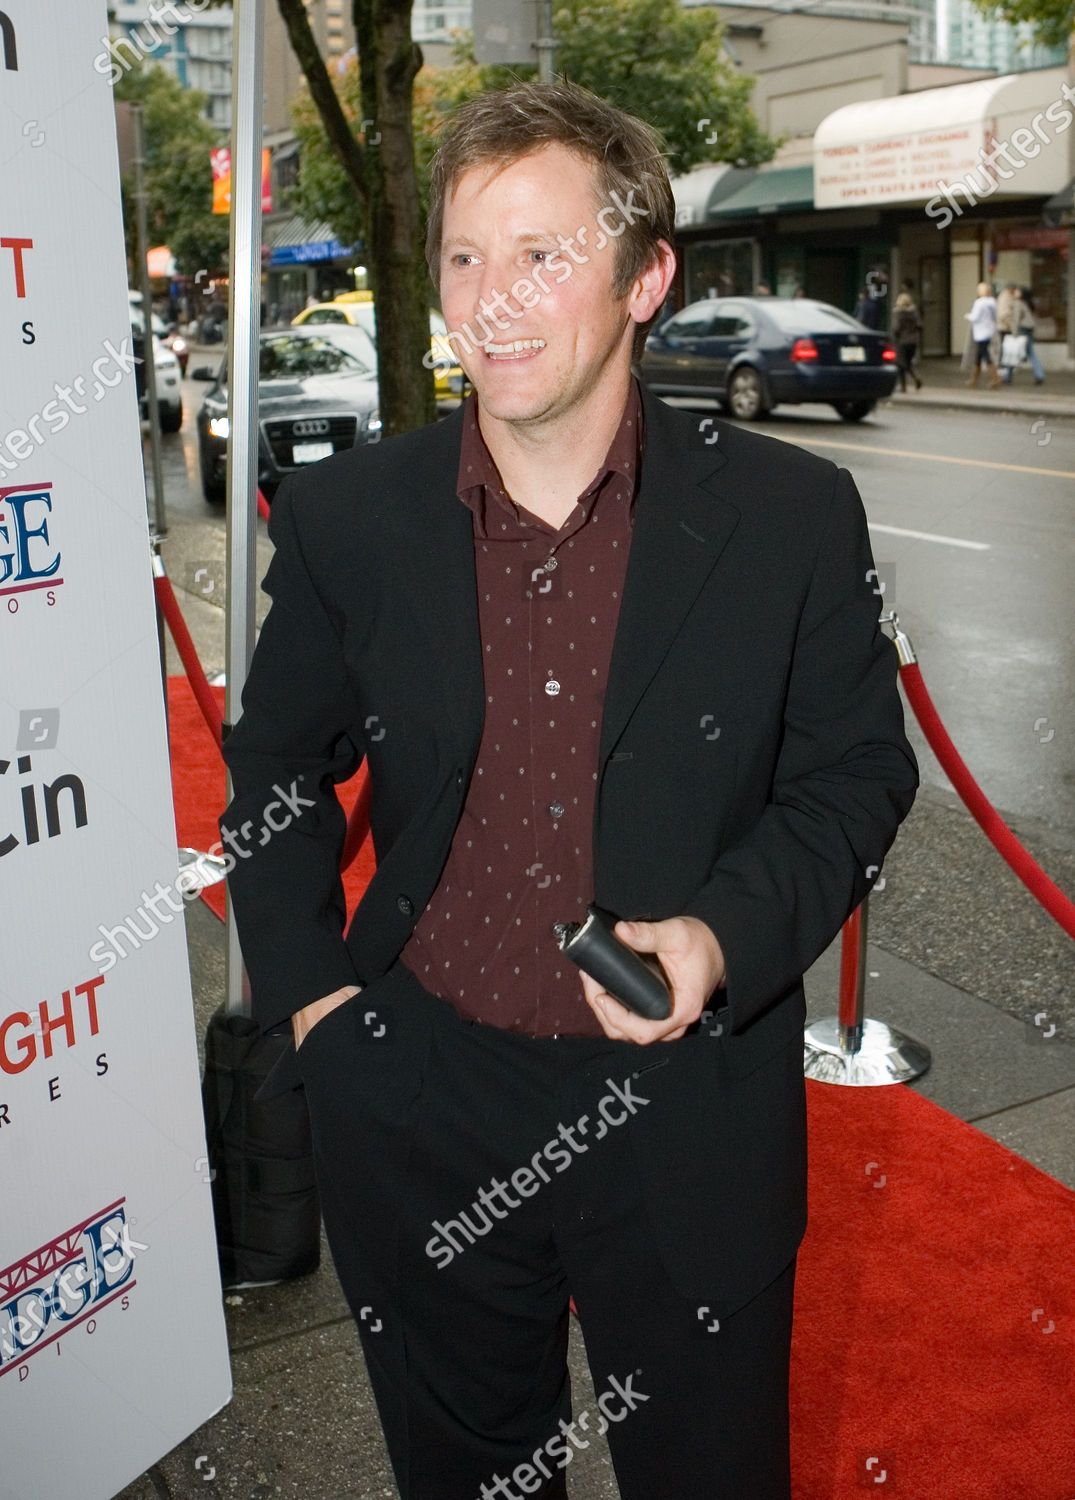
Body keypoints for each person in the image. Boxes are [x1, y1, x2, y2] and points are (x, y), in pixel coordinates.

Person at [219, 78, 919, 1500]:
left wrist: (717, 936)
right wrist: (319, 1013)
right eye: (466, 258)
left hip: (684, 1106)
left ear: (644, 275)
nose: (493, 299)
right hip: (416, 1091)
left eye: (542, 253)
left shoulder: (787, 517)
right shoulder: (357, 516)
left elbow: (854, 778)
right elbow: (276, 765)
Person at [1001, 286, 1046, 386]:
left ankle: (1008, 376)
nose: (1015, 292)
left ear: (1021, 293)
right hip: (1029, 328)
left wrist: (1014, 333)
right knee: (1031, 352)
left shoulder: (1018, 303)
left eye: (1017, 291)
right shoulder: (1026, 303)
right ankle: (1039, 375)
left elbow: (1016, 319)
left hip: (1022, 328)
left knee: (1012, 352)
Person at [963, 281, 1001, 388]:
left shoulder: (979, 303)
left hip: (980, 332)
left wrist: (967, 316)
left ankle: (995, 377)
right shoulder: (992, 302)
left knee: (985, 355)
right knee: (978, 356)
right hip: (989, 330)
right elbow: (994, 317)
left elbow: (975, 317)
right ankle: (974, 379)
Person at [891, 291, 923, 392]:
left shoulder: (899, 313)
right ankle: (916, 378)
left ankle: (903, 386)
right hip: (913, 341)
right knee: (907, 362)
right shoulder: (914, 312)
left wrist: (895, 336)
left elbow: (896, 328)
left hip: (902, 341)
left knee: (901, 363)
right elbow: (920, 325)